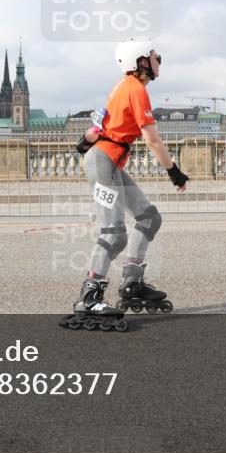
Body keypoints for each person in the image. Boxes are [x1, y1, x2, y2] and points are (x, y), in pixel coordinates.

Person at [63, 39, 190, 332]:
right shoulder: (136, 89)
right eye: (157, 57)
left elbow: (98, 125)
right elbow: (152, 139)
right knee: (114, 233)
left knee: (149, 218)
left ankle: (132, 282)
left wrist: (88, 139)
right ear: (142, 61)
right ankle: (89, 297)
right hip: (103, 163)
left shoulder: (123, 86)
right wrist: (174, 172)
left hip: (108, 161)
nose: (160, 61)